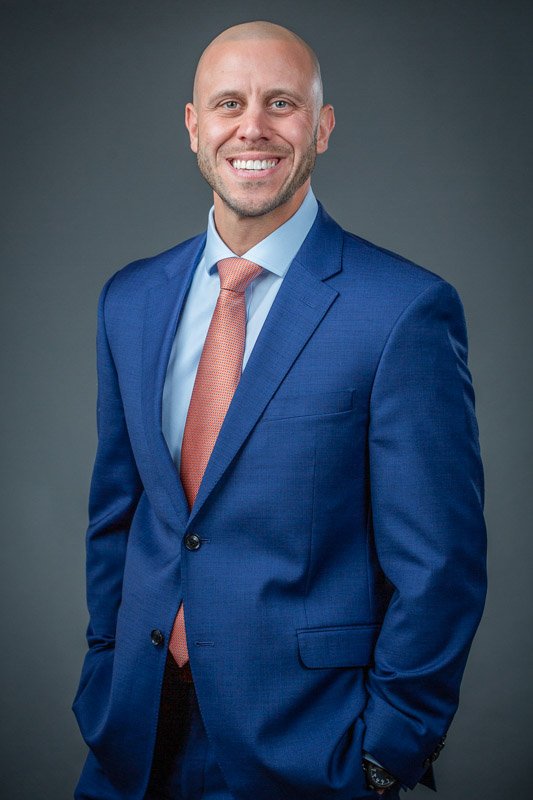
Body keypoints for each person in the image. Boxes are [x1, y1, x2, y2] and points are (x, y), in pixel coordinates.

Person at [72, 20, 487, 800]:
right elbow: (116, 517)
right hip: (132, 736)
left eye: (282, 103)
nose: (252, 127)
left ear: (321, 128)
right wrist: (103, 667)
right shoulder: (129, 301)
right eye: (227, 103)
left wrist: (383, 755)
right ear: (195, 128)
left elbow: (439, 566)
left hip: (310, 748)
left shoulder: (401, 310)